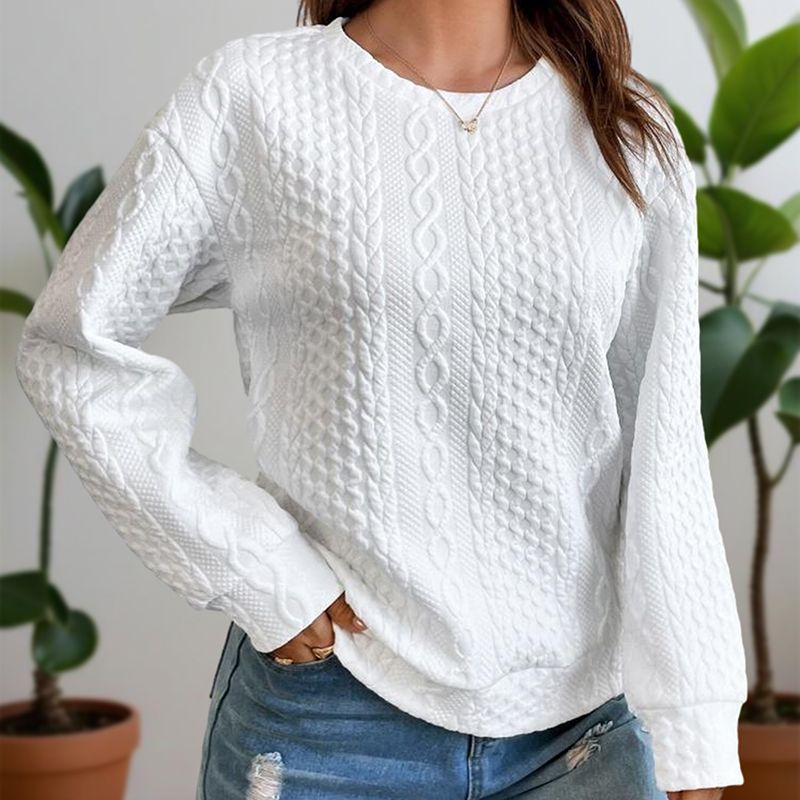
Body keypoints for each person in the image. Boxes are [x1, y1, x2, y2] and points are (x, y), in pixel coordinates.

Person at [14, 1, 748, 798]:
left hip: (582, 729)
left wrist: (693, 720)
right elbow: (72, 345)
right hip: (330, 718)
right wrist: (253, 565)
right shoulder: (253, 96)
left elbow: (663, 441)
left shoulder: (623, 124)